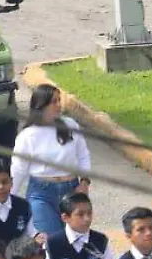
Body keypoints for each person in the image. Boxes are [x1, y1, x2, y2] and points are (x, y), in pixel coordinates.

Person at [12, 84, 93, 238]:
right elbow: (18, 170)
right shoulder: (27, 136)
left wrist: (84, 182)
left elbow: (83, 156)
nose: (58, 105)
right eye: (54, 102)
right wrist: (9, 198)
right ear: (41, 105)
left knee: (75, 239)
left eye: (59, 100)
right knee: (51, 240)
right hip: (41, 194)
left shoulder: (70, 126)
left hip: (71, 190)